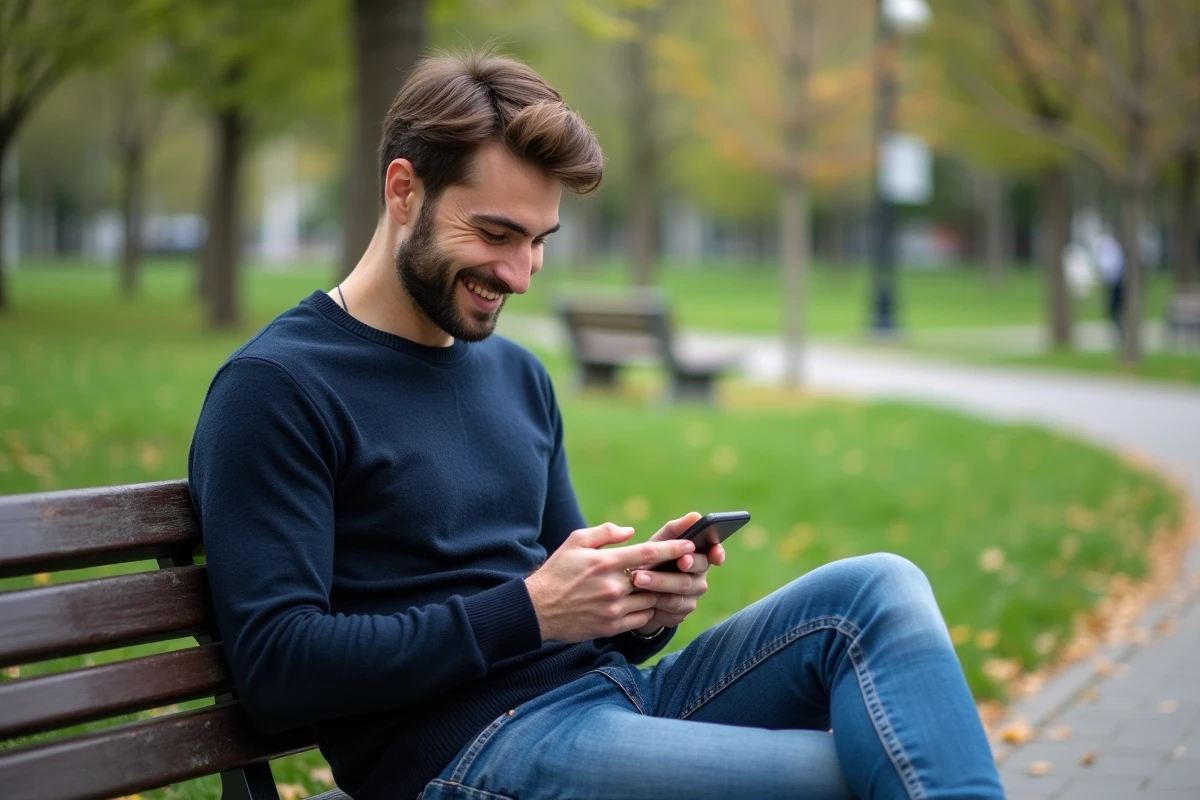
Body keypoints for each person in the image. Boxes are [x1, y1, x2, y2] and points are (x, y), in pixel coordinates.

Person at [188, 52, 1004, 800]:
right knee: (875, 774)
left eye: (539, 241)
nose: (520, 275)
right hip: (466, 753)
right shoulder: (279, 388)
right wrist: (532, 612)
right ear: (404, 191)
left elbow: (568, 611)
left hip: (609, 700)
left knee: (880, 587)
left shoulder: (518, 377)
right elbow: (280, 668)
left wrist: (643, 604)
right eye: (496, 234)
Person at [1094, 227, 1126, 343]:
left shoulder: (1118, 250)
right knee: (1114, 309)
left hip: (1118, 283)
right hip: (1114, 282)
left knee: (1116, 308)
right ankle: (1118, 330)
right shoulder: (1114, 249)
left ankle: (1120, 330)